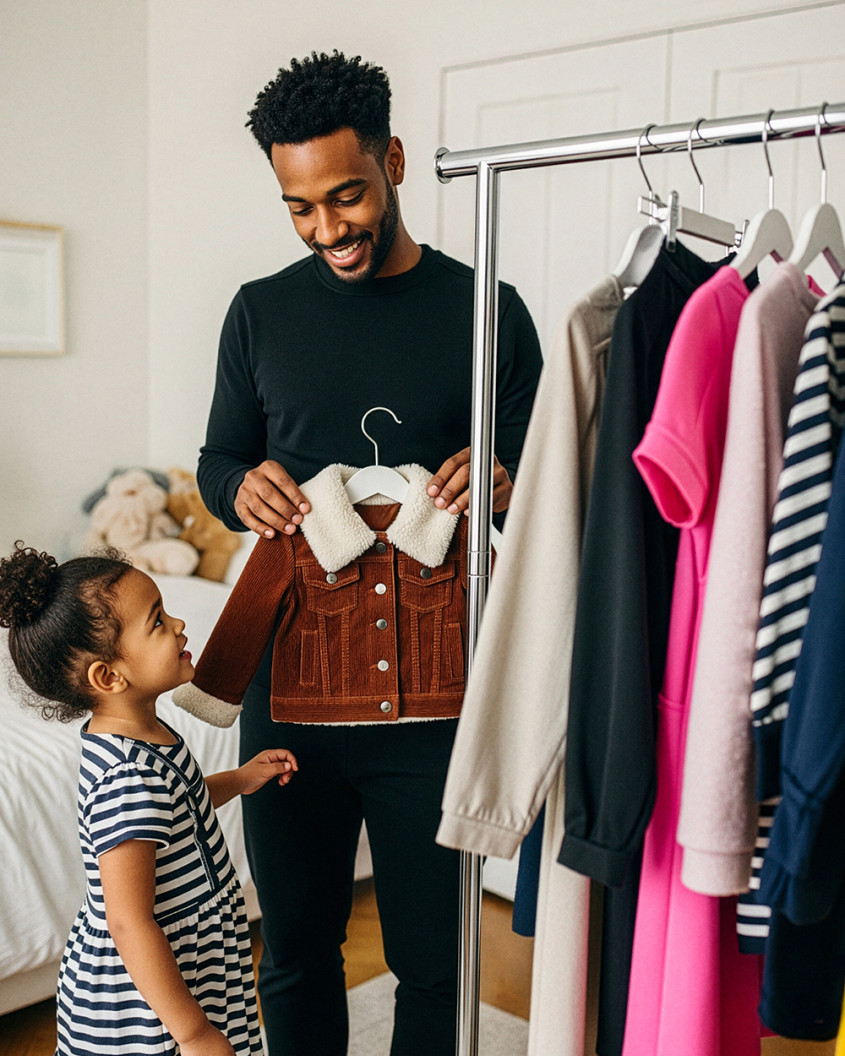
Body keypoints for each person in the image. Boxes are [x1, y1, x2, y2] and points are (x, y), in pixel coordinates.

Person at [196, 50, 542, 1056]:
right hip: (290, 683)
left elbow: (538, 484)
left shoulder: (487, 312)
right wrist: (233, 487)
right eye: (298, 208)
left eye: (344, 197)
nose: (326, 231)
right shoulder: (259, 311)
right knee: (294, 948)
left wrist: (507, 480)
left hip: (433, 696)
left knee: (434, 962)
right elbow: (221, 454)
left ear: (391, 159)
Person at [0, 542, 298, 1056]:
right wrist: (193, 1032)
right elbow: (128, 920)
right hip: (150, 1002)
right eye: (158, 621)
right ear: (110, 676)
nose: (180, 624)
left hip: (194, 964)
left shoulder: (145, 737)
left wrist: (240, 778)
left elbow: (178, 807)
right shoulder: (126, 779)